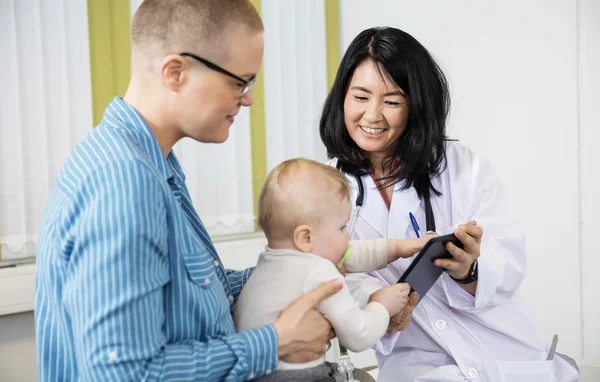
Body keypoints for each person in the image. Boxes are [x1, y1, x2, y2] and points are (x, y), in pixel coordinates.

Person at [34, 1, 343, 380]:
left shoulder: (155, 162)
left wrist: (301, 270)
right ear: (175, 72)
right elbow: (127, 374)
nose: (248, 98)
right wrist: (275, 342)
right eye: (238, 82)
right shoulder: (124, 183)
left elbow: (189, 297)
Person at [319, 26, 580, 382]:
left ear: (416, 105)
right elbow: (335, 274)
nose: (373, 115)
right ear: (342, 99)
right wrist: (377, 300)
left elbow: (509, 256)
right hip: (415, 359)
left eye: (392, 101)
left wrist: (470, 269)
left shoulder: (462, 167)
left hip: (503, 349)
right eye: (360, 97)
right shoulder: (321, 186)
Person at [234, 158, 428, 381]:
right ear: (305, 237)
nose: (349, 235)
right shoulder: (320, 272)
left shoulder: (270, 263)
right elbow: (359, 336)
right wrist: (382, 305)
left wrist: (396, 247)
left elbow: (352, 253)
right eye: (342, 227)